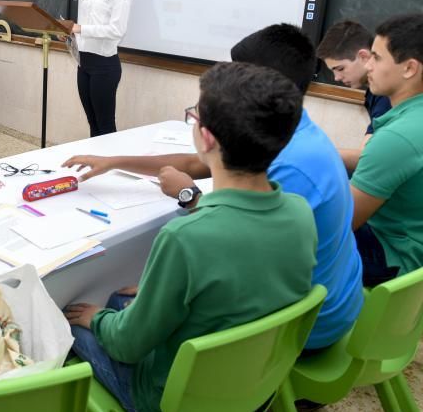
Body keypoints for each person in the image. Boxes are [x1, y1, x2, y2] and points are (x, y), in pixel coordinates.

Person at [63, 24, 364, 353]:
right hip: (309, 304)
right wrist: (114, 160)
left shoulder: (289, 169)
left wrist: (189, 197)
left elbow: (238, 250)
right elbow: (195, 165)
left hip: (296, 328)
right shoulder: (285, 136)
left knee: (72, 322)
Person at [64, 61, 316, 412]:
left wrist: (95, 318)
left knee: (68, 319)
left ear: (206, 136)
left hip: (171, 399)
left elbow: (126, 345)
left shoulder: (183, 236)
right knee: (121, 301)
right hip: (257, 385)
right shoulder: (300, 212)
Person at [350, 13, 423, 286]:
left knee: (287, 243)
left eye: (377, 57)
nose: (367, 65)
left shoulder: (397, 137)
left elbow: (340, 225)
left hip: (396, 257)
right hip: (411, 240)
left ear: (409, 68)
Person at [62, 0, 132, 137]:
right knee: (93, 124)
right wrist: (70, 33)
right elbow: (88, 25)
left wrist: (80, 28)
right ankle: (97, 168)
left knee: (106, 127)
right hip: (84, 63)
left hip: (104, 66)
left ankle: (110, 167)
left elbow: (116, 30)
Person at [317, 20, 392, 172]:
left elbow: (367, 159)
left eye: (340, 68)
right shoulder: (372, 91)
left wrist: (316, 154)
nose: (336, 78)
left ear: (364, 56)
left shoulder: (386, 94)